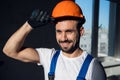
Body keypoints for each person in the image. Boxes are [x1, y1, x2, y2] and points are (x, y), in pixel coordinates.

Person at [3, 0, 106, 80]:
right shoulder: (49, 57)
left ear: (81, 31)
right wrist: (28, 25)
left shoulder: (93, 67)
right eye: (59, 31)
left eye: (69, 31)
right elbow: (9, 50)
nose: (63, 38)